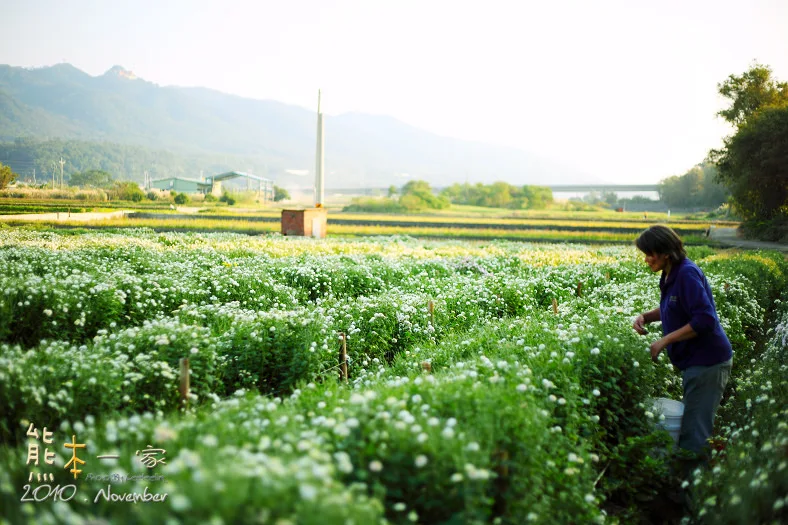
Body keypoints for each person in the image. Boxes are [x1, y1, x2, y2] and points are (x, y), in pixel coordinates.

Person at [632, 225, 732, 458]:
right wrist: (646, 316)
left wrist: (664, 340)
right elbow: (674, 306)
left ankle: (693, 490)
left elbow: (705, 319)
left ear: (665, 252)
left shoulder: (686, 273)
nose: (646, 259)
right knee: (693, 427)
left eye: (650, 253)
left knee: (693, 436)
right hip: (696, 363)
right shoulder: (670, 273)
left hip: (708, 363)